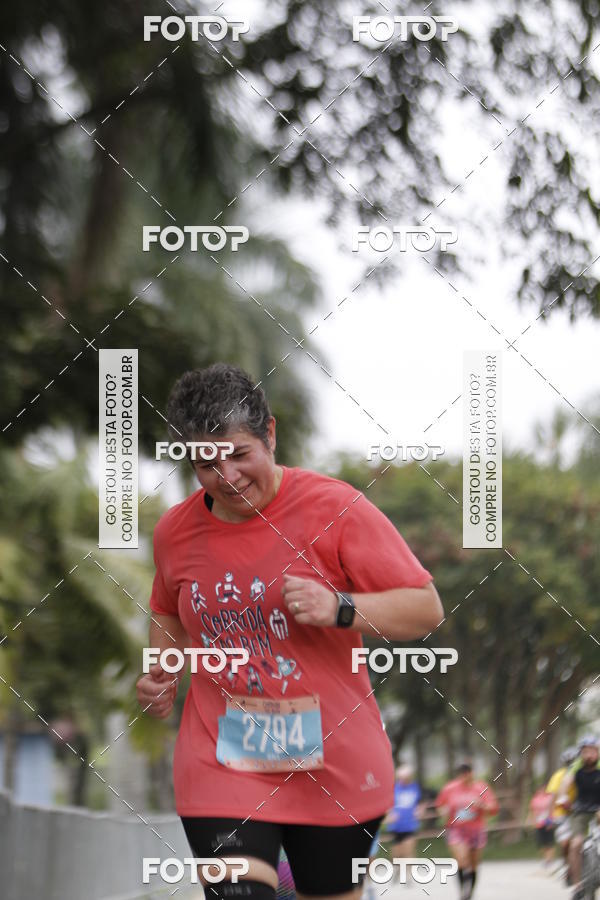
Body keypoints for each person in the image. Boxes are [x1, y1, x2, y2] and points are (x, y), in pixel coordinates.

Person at [136, 363, 444, 900]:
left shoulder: (336, 509)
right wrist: (160, 671)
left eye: (238, 453)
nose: (226, 475)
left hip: (336, 757)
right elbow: (166, 607)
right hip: (222, 759)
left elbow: (425, 609)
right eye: (206, 463)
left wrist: (340, 608)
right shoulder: (174, 532)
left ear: (270, 435)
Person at [436, 761, 499, 900]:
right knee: (462, 859)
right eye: (462, 773)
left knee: (473, 863)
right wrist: (443, 811)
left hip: (476, 829)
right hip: (456, 829)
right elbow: (440, 805)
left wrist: (482, 805)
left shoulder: (481, 788)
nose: (465, 776)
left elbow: (494, 808)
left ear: (472, 773)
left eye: (468, 772)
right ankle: (462, 893)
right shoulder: (450, 788)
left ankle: (469, 892)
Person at [560, 735, 600, 900]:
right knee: (576, 844)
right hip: (580, 811)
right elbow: (565, 783)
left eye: (592, 751)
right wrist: (562, 798)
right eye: (585, 751)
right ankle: (578, 886)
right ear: (581, 753)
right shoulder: (576, 767)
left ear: (597, 752)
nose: (588, 755)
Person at [383, 764, 424, 886]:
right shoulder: (393, 789)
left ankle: (409, 876)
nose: (404, 779)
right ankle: (397, 869)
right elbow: (386, 805)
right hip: (396, 826)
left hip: (410, 825)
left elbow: (420, 803)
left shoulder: (415, 788)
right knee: (397, 854)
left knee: (409, 851)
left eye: (406, 777)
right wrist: (389, 815)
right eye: (402, 777)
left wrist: (420, 811)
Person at [546, 746, 578, 884]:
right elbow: (552, 797)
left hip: (580, 811)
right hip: (562, 813)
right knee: (565, 843)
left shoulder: (583, 773)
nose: (571, 764)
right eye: (569, 762)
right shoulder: (559, 776)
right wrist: (549, 816)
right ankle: (568, 867)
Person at [527, 784, 555, 868]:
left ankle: (549, 859)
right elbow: (532, 811)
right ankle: (546, 858)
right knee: (542, 843)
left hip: (547, 822)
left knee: (549, 842)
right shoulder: (534, 799)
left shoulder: (550, 798)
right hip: (539, 824)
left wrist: (551, 821)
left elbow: (552, 810)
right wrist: (531, 821)